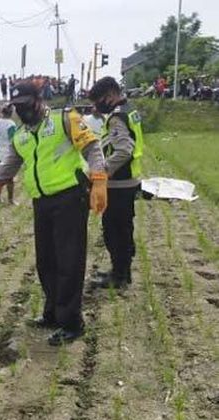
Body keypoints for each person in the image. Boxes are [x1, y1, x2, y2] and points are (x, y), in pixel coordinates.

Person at [0, 81, 107, 345]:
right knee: (46, 261)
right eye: (17, 107)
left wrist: (99, 181)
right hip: (42, 203)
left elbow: (92, 148)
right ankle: (52, 312)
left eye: (26, 105)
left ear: (38, 101)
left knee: (69, 262)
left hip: (70, 199)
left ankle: (72, 322)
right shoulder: (21, 136)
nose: (22, 111)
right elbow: (5, 170)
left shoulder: (65, 119)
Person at [88, 76, 144, 289]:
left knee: (114, 230)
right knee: (124, 228)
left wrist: (102, 172)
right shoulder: (130, 110)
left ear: (111, 95)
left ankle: (119, 276)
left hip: (119, 184)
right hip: (129, 181)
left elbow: (124, 150)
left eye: (99, 100)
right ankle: (123, 272)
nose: (96, 106)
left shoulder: (116, 118)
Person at [0, 104, 17, 204]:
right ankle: (10, 200)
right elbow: (13, 140)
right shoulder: (11, 124)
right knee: (10, 179)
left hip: (0, 152)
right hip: (8, 153)